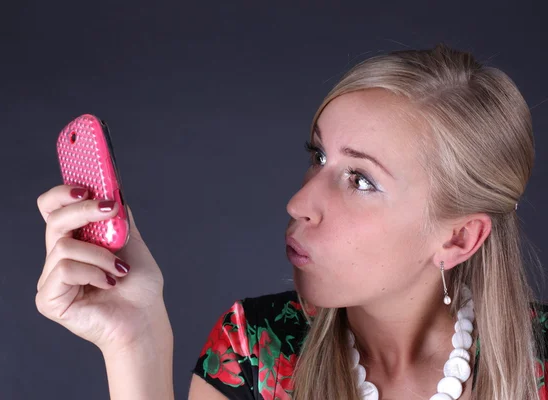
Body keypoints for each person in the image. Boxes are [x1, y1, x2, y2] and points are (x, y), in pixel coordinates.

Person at [35, 43, 548, 400]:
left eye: (361, 179)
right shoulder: (254, 349)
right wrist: (134, 341)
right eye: (319, 156)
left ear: (458, 237)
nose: (300, 200)